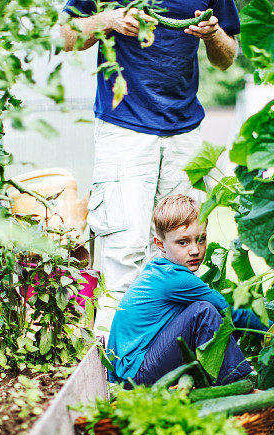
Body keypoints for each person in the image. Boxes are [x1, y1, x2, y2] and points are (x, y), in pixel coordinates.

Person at [60, 0, 240, 337]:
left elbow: (227, 58)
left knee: (182, 253)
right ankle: (112, 367)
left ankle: (168, 359)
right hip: (124, 128)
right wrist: (109, 20)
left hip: (184, 132)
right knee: (125, 251)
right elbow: (67, 36)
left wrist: (213, 34)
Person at [107, 195, 265, 386]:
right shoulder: (174, 278)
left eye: (201, 239)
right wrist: (272, 332)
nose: (195, 250)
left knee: (205, 313)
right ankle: (239, 384)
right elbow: (231, 311)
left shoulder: (161, 269)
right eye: (183, 242)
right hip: (135, 376)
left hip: (133, 369)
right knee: (203, 311)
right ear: (160, 245)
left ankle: (217, 379)